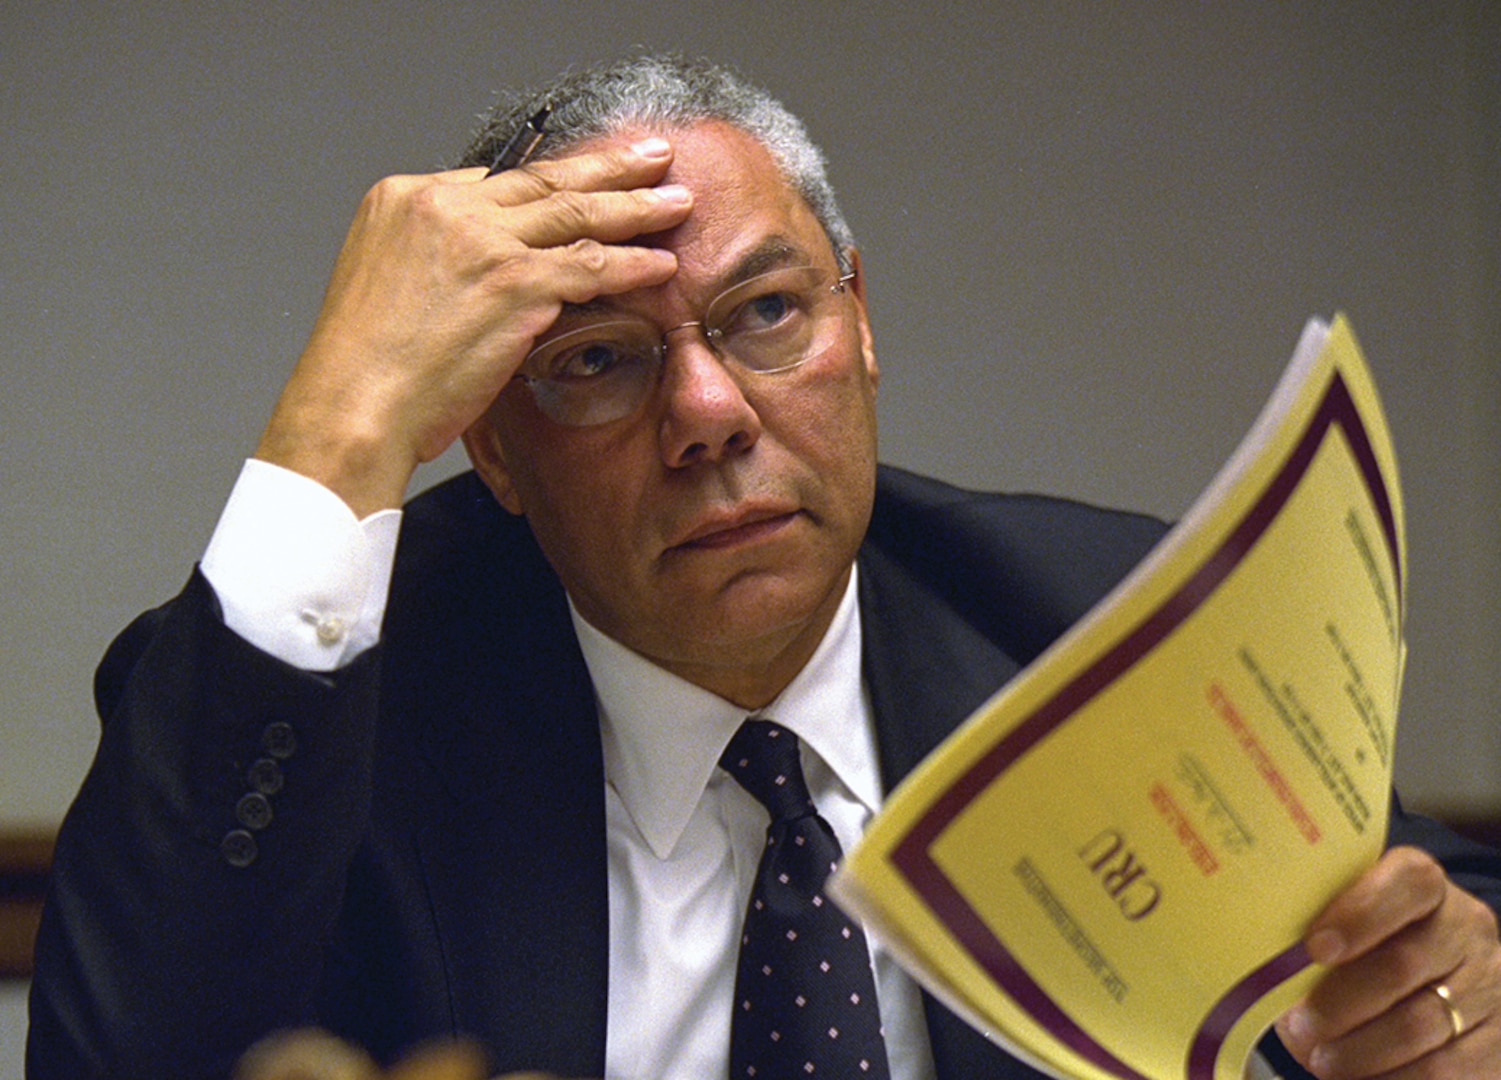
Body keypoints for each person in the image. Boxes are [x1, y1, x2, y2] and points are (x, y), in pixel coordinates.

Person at [28, 54, 1501, 1080]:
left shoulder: (1090, 625)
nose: (710, 415)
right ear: (487, 446)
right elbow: (128, 1050)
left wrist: (1449, 1010)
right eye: (597, 363)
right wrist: (337, 421)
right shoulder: (339, 715)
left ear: (860, 323)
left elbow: (1422, 947)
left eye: (767, 314)